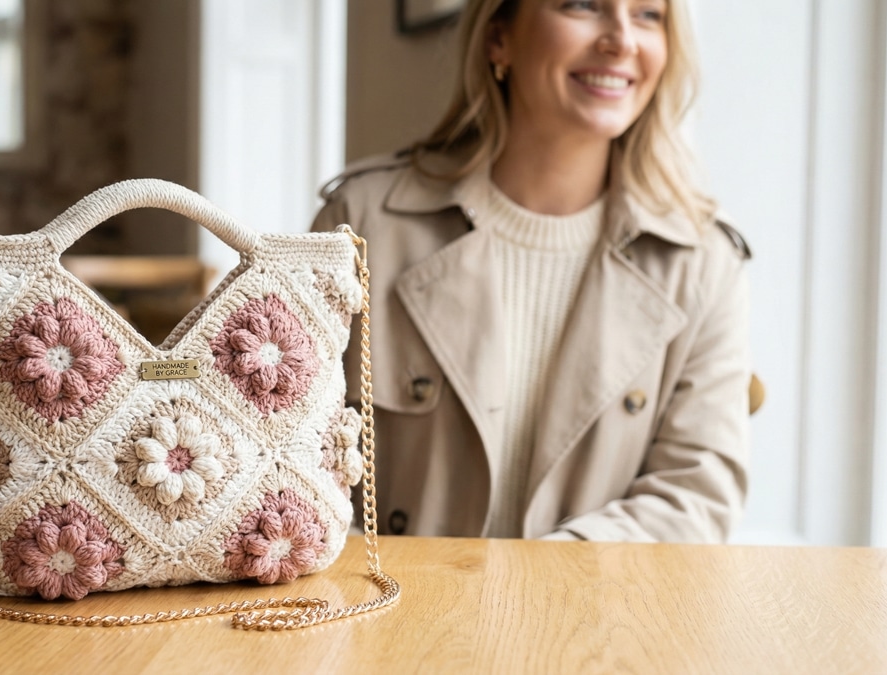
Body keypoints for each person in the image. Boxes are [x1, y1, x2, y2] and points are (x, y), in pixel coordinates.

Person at [311, 0, 751, 542]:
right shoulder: (360, 224)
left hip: (593, 621)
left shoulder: (704, 261)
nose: (622, 40)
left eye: (648, 15)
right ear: (499, 38)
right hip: (384, 614)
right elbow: (289, 465)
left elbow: (694, 499)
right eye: (583, 5)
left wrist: (537, 595)